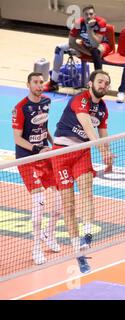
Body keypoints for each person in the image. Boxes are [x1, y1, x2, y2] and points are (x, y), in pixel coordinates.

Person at [51, 70, 114, 274]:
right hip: (62, 153)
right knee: (68, 206)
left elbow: (103, 135)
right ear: (90, 83)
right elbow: (89, 131)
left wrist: (108, 154)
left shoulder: (103, 109)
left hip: (81, 153)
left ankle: (87, 236)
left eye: (107, 83)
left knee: (87, 191)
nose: (104, 85)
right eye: (100, 81)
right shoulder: (81, 100)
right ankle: (78, 251)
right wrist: (102, 152)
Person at [12, 72, 62, 265]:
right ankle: (36, 248)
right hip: (27, 158)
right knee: (39, 200)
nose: (40, 85)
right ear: (28, 84)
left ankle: (49, 234)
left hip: (45, 155)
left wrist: (54, 144)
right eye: (36, 82)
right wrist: (36, 148)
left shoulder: (47, 102)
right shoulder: (20, 108)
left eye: (42, 82)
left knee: (60, 199)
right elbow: (17, 139)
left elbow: (43, 126)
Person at [44, 4, 111, 92]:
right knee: (59, 48)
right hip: (85, 45)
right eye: (86, 14)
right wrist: (79, 50)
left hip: (102, 45)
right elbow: (71, 42)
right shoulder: (78, 23)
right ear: (83, 16)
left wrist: (89, 29)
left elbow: (95, 44)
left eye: (91, 14)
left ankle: (98, 85)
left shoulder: (101, 22)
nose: (89, 16)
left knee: (95, 52)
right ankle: (53, 83)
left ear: (95, 15)